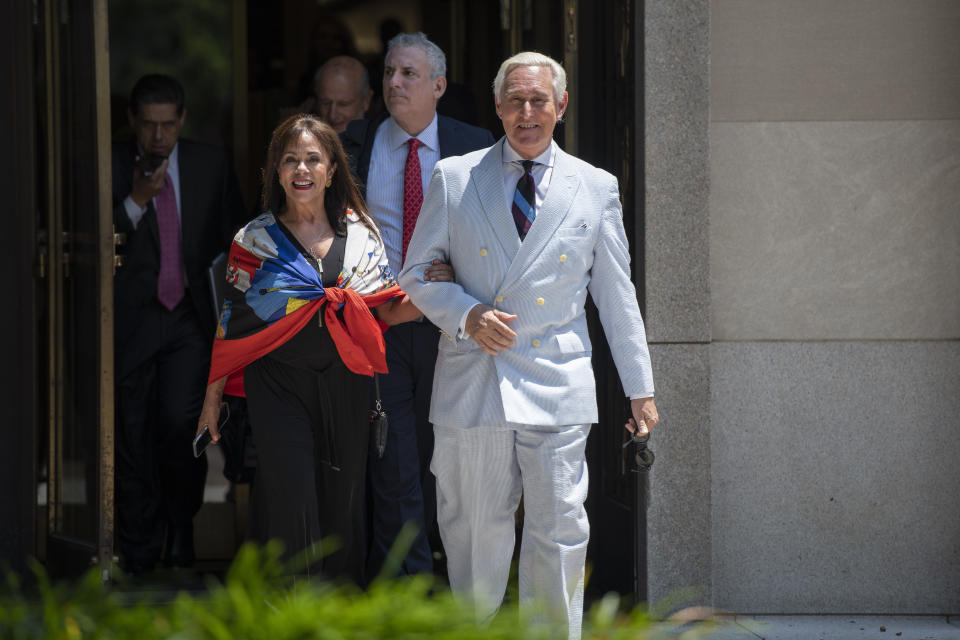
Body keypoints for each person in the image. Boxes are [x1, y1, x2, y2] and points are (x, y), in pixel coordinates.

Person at [398, 52, 661, 638]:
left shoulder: (595, 188)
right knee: (472, 530)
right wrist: (466, 315)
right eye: (514, 100)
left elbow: (616, 298)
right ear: (497, 107)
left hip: (555, 378)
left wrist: (640, 390)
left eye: (539, 100)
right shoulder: (456, 176)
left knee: (560, 529)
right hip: (474, 377)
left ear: (560, 107)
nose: (526, 112)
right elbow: (414, 275)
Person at [195, 114, 451, 584]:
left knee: (342, 505)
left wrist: (449, 292)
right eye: (290, 159)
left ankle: (337, 612)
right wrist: (212, 400)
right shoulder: (253, 241)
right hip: (277, 386)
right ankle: (293, 611)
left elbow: (388, 310)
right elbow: (231, 326)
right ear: (276, 170)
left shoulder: (363, 234)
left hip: (347, 385)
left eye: (313, 159)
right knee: (294, 499)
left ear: (332, 170)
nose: (301, 169)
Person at [340, 31, 495, 578]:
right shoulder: (352, 143)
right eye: (388, 73)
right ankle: (406, 589)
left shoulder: (476, 147)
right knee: (395, 458)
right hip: (378, 324)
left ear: (439, 86)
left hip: (451, 325)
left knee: (449, 458)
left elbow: (495, 236)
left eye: (408, 74)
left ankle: (456, 577)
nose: (394, 83)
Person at [112, 73, 245, 574]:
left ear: (182, 120)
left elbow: (237, 238)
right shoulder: (111, 164)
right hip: (131, 319)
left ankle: (181, 530)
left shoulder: (209, 164)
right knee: (132, 430)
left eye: (167, 125)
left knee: (179, 426)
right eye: (148, 126)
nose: (158, 137)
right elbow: (87, 236)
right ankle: (138, 544)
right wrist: (137, 201)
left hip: (190, 318)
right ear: (133, 122)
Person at [282, 56, 373, 133]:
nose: (332, 116)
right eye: (325, 103)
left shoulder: (380, 146)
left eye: (343, 104)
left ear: (366, 101)